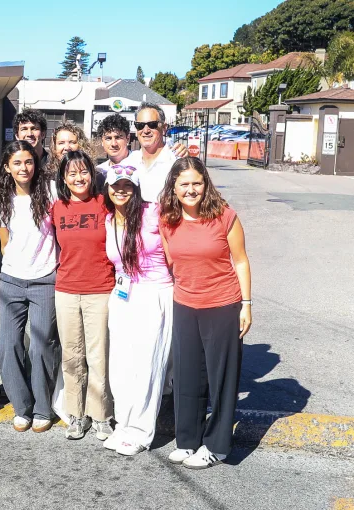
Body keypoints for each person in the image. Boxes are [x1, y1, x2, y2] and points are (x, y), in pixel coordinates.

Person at [159, 157, 252, 469]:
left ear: (206, 183)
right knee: (187, 377)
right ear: (174, 186)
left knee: (221, 378)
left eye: (196, 183)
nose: (190, 189)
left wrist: (247, 305)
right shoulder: (167, 218)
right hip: (185, 304)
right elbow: (172, 260)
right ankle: (188, 440)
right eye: (184, 183)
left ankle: (217, 445)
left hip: (223, 305)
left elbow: (240, 260)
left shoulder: (224, 216)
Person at [103, 163, 173, 456]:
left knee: (146, 367)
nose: (121, 190)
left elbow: (175, 254)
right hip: (122, 296)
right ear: (107, 188)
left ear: (136, 189)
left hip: (154, 293)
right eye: (116, 185)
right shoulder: (109, 220)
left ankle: (141, 432)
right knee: (120, 367)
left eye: (127, 186)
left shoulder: (153, 213)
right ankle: (124, 424)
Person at [0, 140, 60, 433]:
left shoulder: (50, 191)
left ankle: (43, 408)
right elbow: (3, 237)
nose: (24, 167)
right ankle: (22, 407)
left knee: (42, 346)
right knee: (7, 345)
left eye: (29, 161)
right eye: (17, 163)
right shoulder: (1, 195)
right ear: (8, 167)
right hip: (11, 280)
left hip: (45, 279)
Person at [51, 151, 115, 441]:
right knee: (72, 355)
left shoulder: (105, 203)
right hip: (65, 289)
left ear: (92, 173)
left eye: (84, 172)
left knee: (98, 355)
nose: (79, 178)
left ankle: (101, 415)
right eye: (72, 173)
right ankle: (75, 414)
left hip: (100, 289)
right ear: (63, 178)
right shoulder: (57, 208)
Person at [121, 103, 180, 203]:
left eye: (152, 125)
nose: (146, 130)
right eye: (140, 125)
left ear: (164, 128)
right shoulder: (128, 163)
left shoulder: (177, 161)